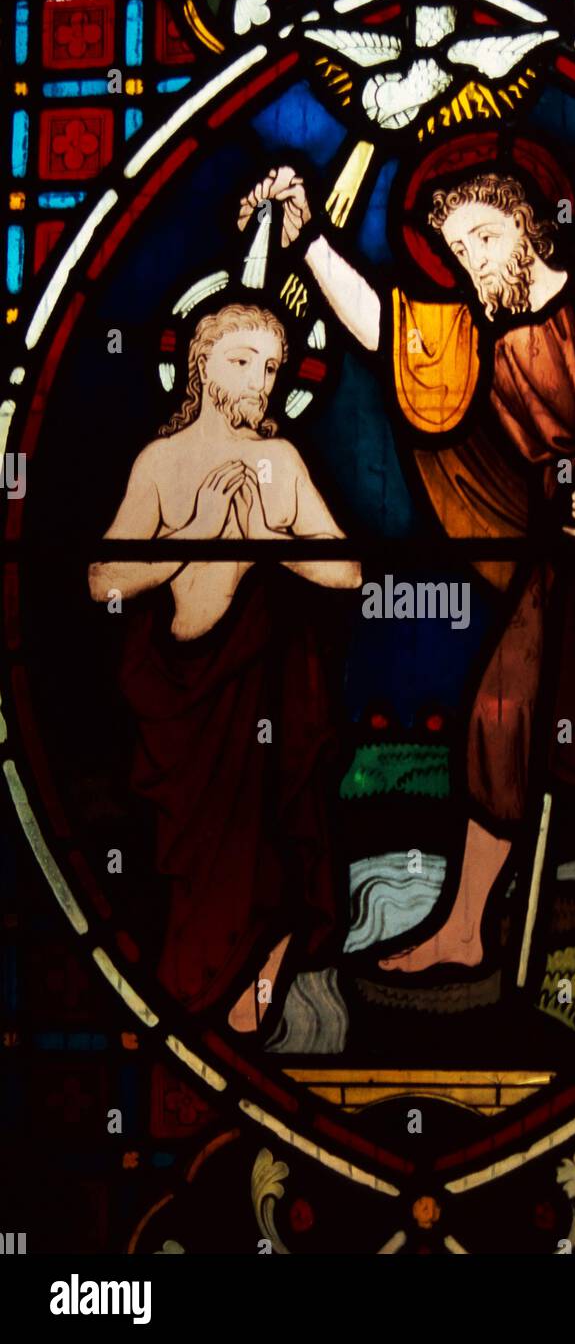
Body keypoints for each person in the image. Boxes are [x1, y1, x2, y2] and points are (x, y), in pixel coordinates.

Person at [239, 166, 575, 1031]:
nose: (472, 258)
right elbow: (384, 330)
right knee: (498, 714)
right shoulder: (469, 334)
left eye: (485, 238)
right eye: (458, 249)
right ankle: (464, 928)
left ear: (530, 228)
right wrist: (307, 238)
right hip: (555, 560)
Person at [88, 302, 361, 1034]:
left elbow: (346, 571)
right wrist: (196, 533)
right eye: (243, 360)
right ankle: (203, 1000)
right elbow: (102, 581)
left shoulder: (282, 463)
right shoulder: (161, 462)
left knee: (272, 853)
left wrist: (272, 541)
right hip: (180, 706)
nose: (261, 381)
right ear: (201, 365)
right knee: (192, 869)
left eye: (272, 367)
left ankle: (260, 988)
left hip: (262, 698)